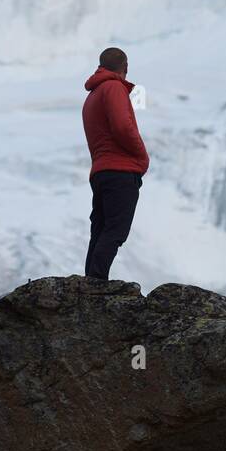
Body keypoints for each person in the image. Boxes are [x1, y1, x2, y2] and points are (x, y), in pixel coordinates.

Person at [82, 47, 149, 279]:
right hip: (120, 171)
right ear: (126, 67)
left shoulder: (93, 95)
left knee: (100, 229)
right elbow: (122, 127)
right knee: (115, 230)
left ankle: (89, 284)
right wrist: (142, 156)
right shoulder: (113, 88)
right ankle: (97, 283)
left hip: (100, 171)